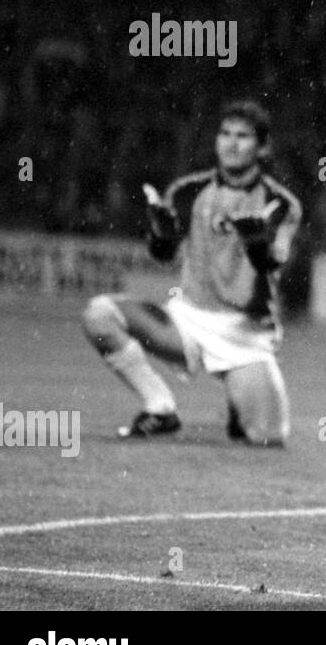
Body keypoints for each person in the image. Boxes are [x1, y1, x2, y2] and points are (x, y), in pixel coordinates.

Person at [81, 100, 301, 446]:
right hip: (188, 321)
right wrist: (161, 234)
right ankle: (160, 408)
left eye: (243, 136)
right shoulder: (188, 190)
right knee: (99, 315)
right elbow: (163, 255)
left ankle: (239, 399)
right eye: (225, 133)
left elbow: (274, 261)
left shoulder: (280, 202)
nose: (231, 143)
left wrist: (257, 241)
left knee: (266, 441)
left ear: (263, 147)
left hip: (243, 334)